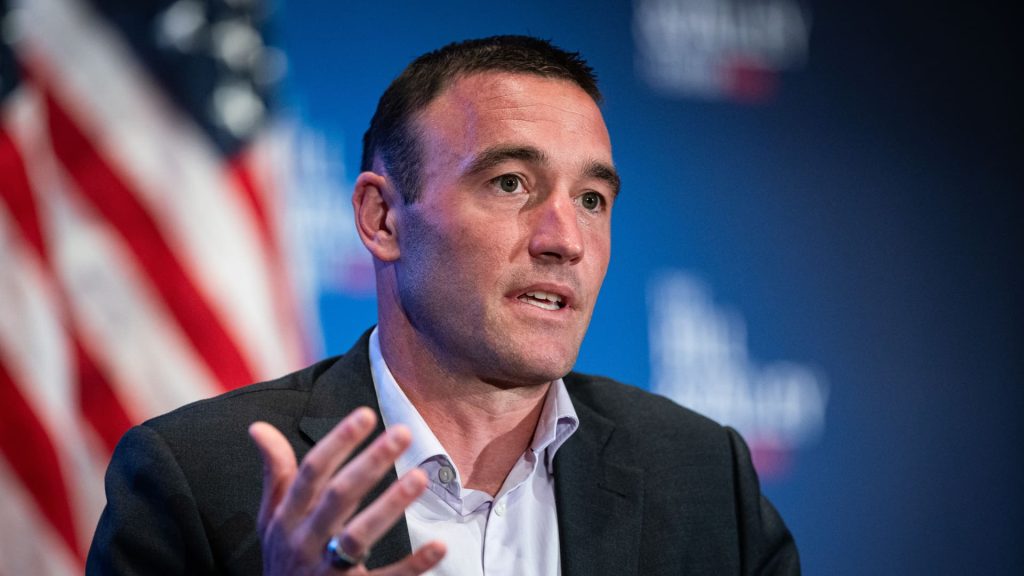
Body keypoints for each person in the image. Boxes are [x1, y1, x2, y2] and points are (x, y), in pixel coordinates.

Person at [87, 35, 799, 575]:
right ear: (382, 219)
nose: (566, 240)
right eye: (511, 183)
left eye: (591, 199)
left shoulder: (703, 477)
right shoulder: (196, 480)